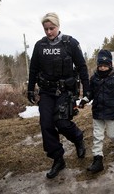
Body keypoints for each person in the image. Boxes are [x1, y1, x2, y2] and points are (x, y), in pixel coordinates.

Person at [27, 12, 90, 179]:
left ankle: (78, 138)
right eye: (46, 29)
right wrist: (30, 89)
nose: (48, 32)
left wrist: (87, 90)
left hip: (65, 91)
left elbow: (82, 67)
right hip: (46, 92)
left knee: (61, 122)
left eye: (52, 28)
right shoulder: (39, 46)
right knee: (46, 124)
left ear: (58, 26)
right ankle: (58, 159)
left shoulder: (70, 43)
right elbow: (33, 69)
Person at [78, 49, 114, 173]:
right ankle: (98, 160)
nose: (102, 68)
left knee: (112, 134)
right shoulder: (94, 78)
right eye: (100, 65)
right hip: (97, 111)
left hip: (111, 111)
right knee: (97, 136)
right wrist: (84, 100)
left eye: (105, 65)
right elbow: (90, 92)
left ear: (110, 65)